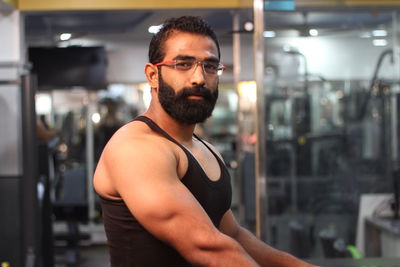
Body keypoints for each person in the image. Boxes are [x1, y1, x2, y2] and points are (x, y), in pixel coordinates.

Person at [94, 16, 318, 267]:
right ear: (152, 75)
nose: (199, 78)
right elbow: (207, 246)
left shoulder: (207, 150)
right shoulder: (135, 148)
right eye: (183, 64)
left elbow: (232, 236)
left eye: (210, 66)